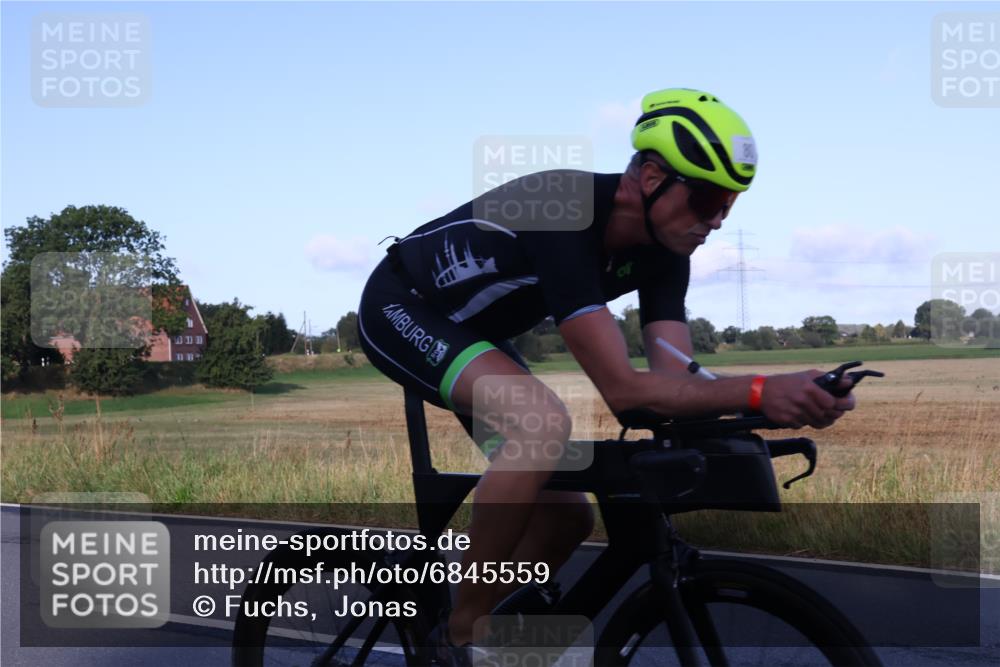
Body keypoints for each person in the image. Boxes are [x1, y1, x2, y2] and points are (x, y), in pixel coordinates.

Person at [357, 88, 855, 665]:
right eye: (707, 200)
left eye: (730, 205)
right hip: (404, 309)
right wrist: (763, 389)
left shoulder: (668, 249)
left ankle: (482, 622)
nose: (716, 221)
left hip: (476, 337)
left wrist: (776, 401)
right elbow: (623, 390)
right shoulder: (564, 208)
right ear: (649, 176)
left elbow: (676, 374)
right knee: (540, 425)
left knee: (569, 515)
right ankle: (461, 636)